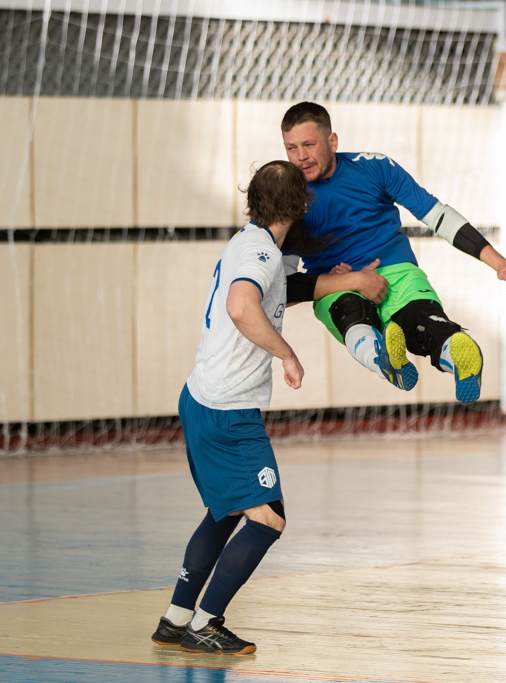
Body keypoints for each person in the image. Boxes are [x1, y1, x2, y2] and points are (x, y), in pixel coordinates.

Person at [151, 160, 372, 655]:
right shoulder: (262, 253)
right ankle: (205, 624)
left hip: (202, 397)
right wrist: (287, 354)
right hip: (228, 411)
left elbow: (281, 291)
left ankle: (176, 618)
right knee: (269, 517)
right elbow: (241, 306)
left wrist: (344, 279)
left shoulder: (250, 243)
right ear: (300, 205)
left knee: (226, 511)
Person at [280, 102, 506, 403]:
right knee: (354, 313)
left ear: (332, 141)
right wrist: (340, 281)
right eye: (291, 148)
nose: (301, 157)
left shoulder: (375, 167)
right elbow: (283, 286)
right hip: (337, 284)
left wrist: (499, 262)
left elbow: (437, 215)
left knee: (420, 322)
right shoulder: (286, 197)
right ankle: (394, 357)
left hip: (396, 270)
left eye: (309, 145)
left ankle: (452, 355)